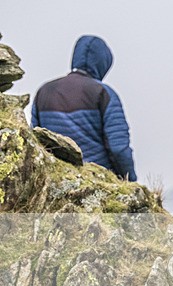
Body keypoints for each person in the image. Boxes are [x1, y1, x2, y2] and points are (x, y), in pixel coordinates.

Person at [31, 35, 137, 181]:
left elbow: (36, 140)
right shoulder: (103, 93)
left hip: (56, 181)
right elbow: (118, 148)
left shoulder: (44, 91)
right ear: (102, 64)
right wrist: (130, 182)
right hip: (97, 181)